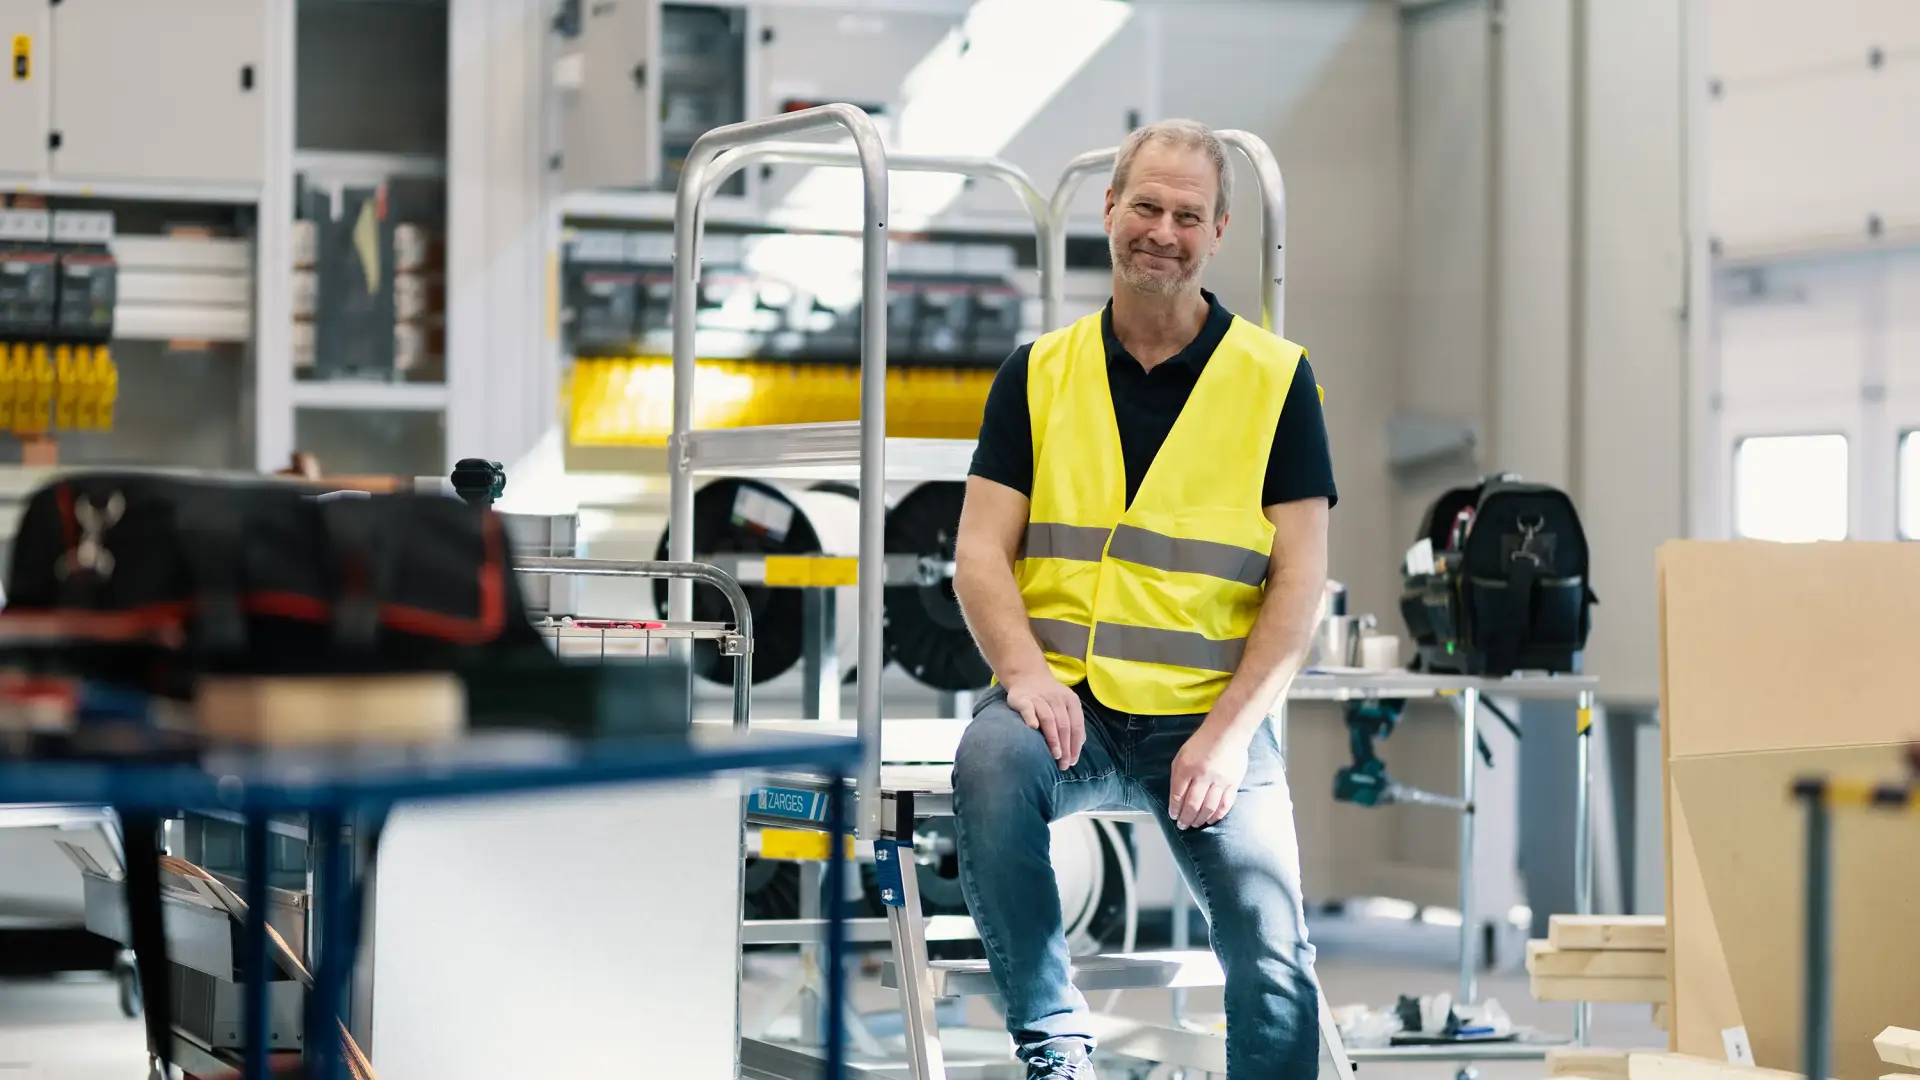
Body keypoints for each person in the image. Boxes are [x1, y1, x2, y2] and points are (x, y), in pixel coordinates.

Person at [949, 118, 1337, 1080]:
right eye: (1147, 206)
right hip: (1065, 706)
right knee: (990, 766)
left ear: (1219, 232)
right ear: (1111, 208)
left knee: (1272, 947)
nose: (1163, 229)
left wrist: (1233, 732)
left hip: (1210, 720)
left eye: (1188, 214)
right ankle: (1056, 1048)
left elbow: (1300, 585)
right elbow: (978, 555)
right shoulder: (1036, 374)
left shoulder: (1277, 381)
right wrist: (1025, 673)